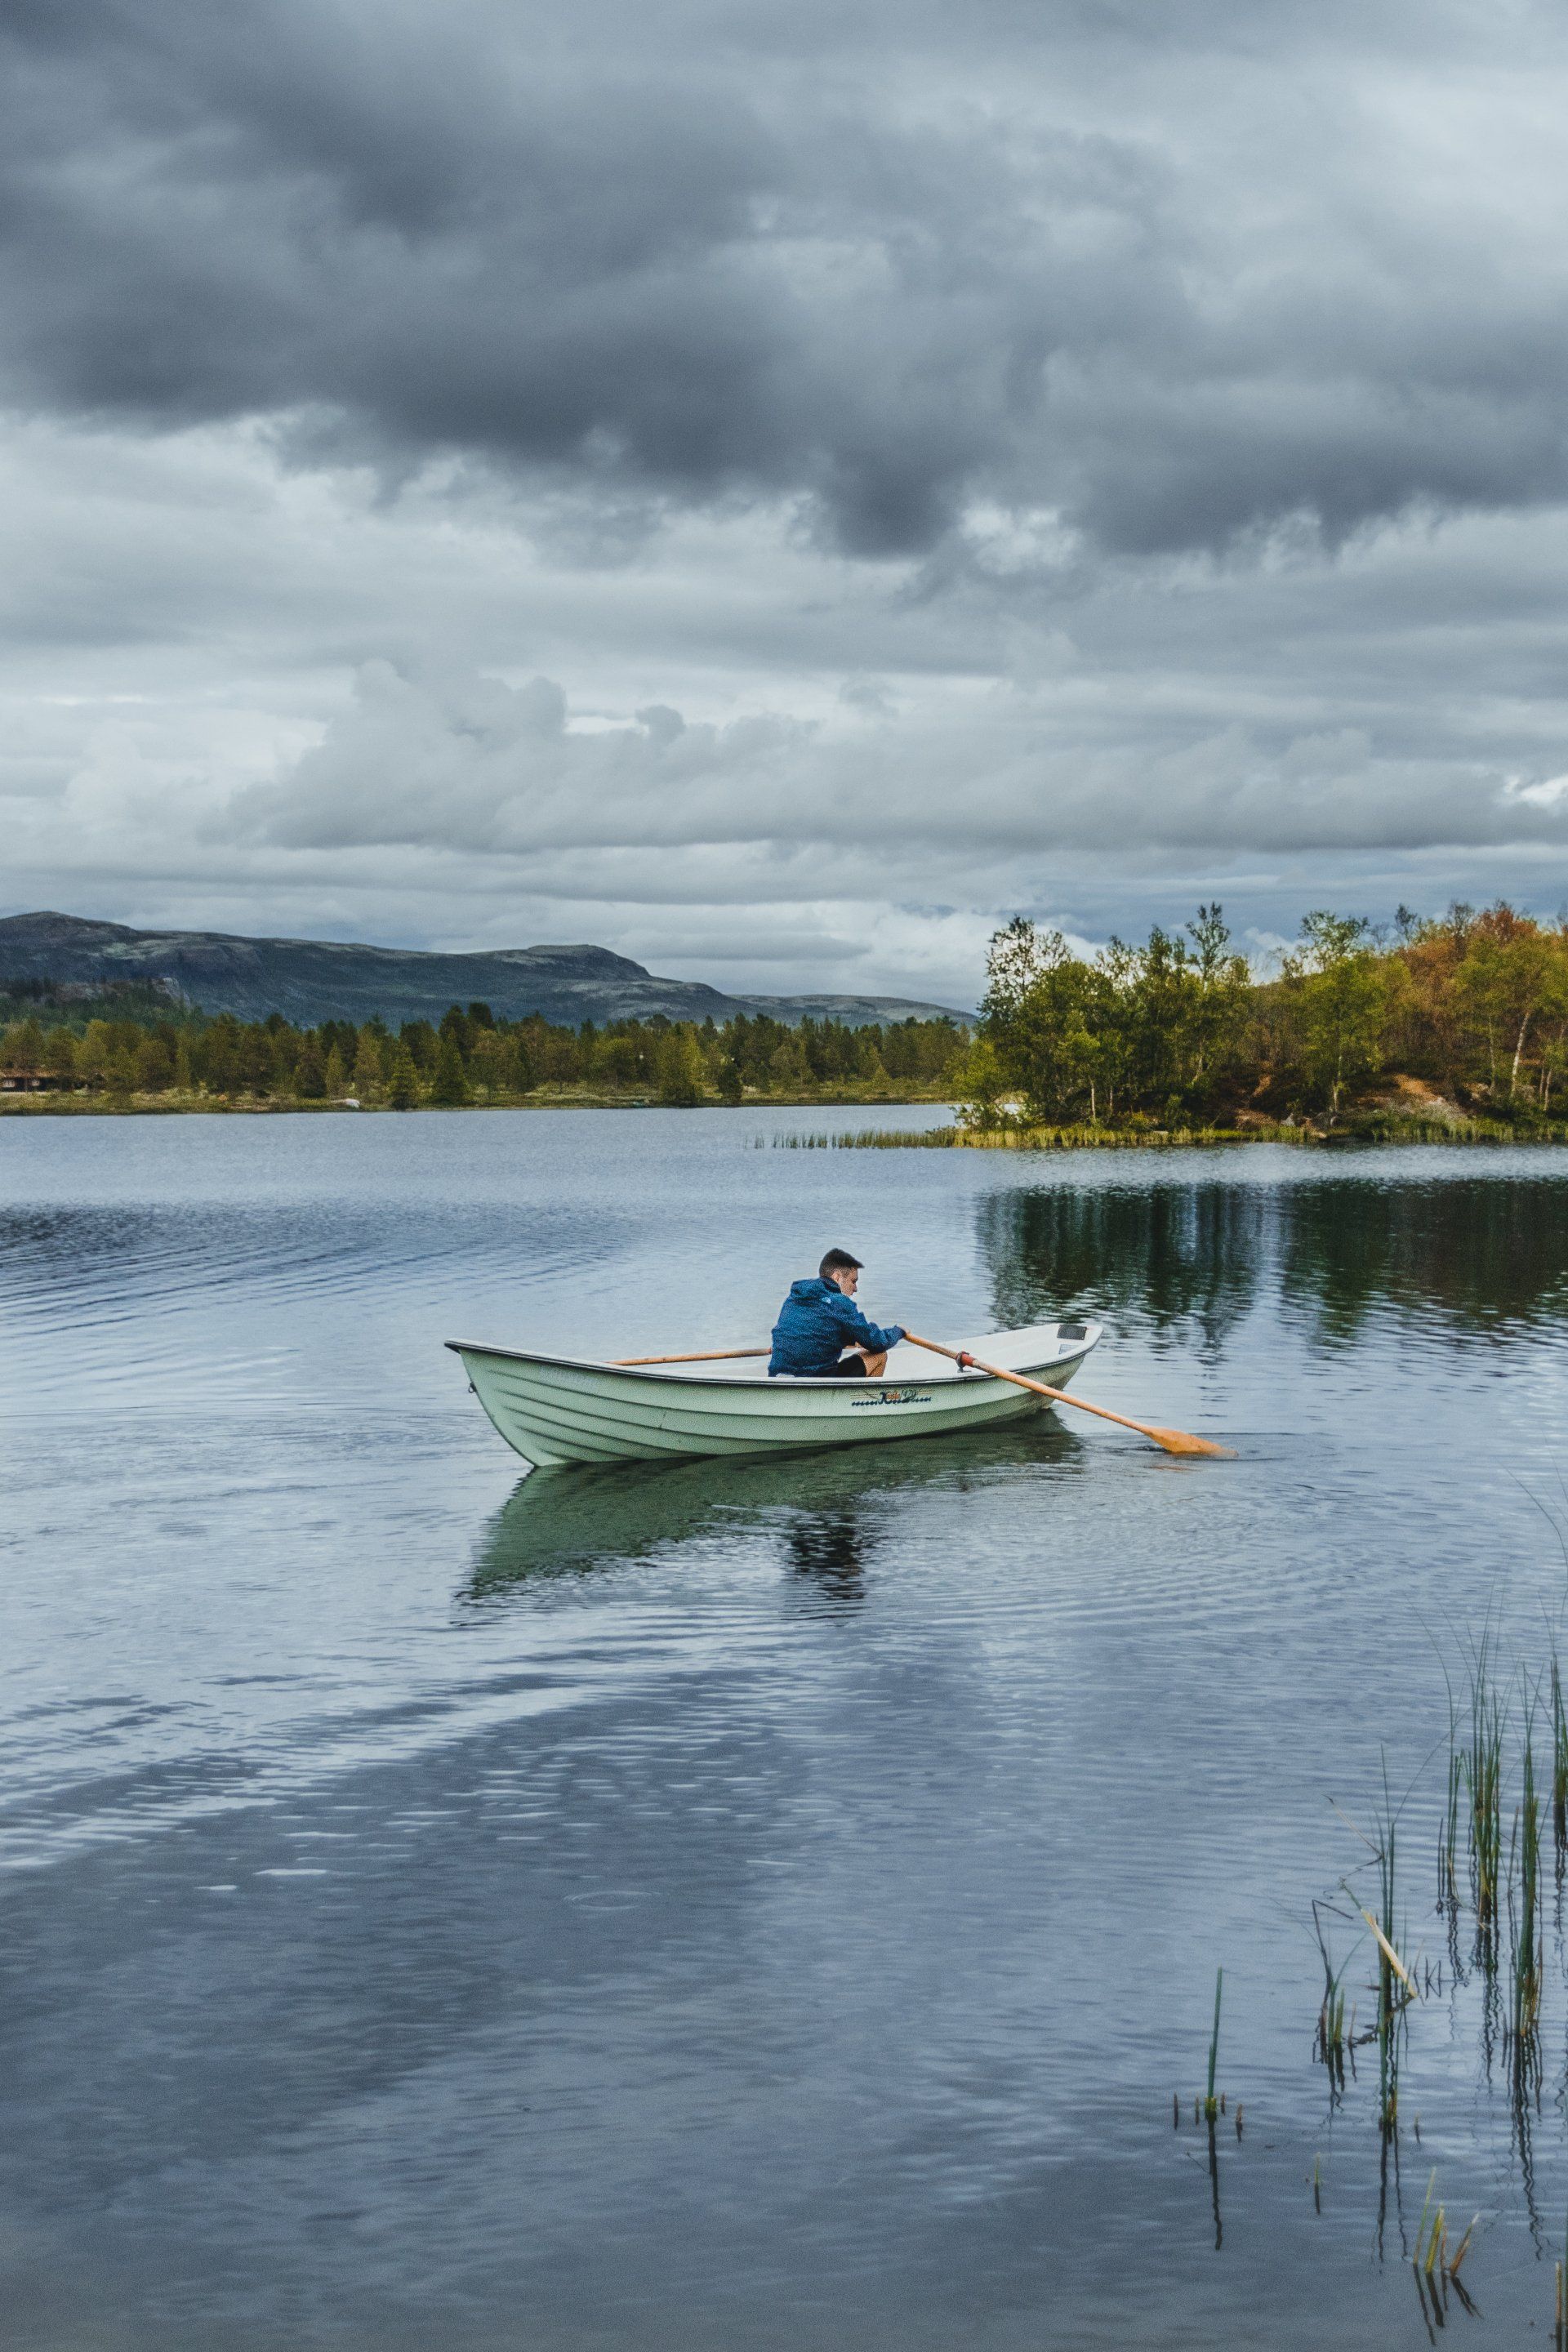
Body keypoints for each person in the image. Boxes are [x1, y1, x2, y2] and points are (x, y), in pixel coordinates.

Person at [768, 1250, 906, 1379]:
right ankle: (863, 1402)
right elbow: (877, 1342)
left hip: (777, 1377)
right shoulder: (840, 1303)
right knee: (879, 1355)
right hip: (817, 1382)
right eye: (853, 1281)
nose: (856, 1288)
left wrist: (852, 1340)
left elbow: (818, 1330)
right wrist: (899, 1331)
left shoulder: (794, 1298)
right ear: (837, 1277)